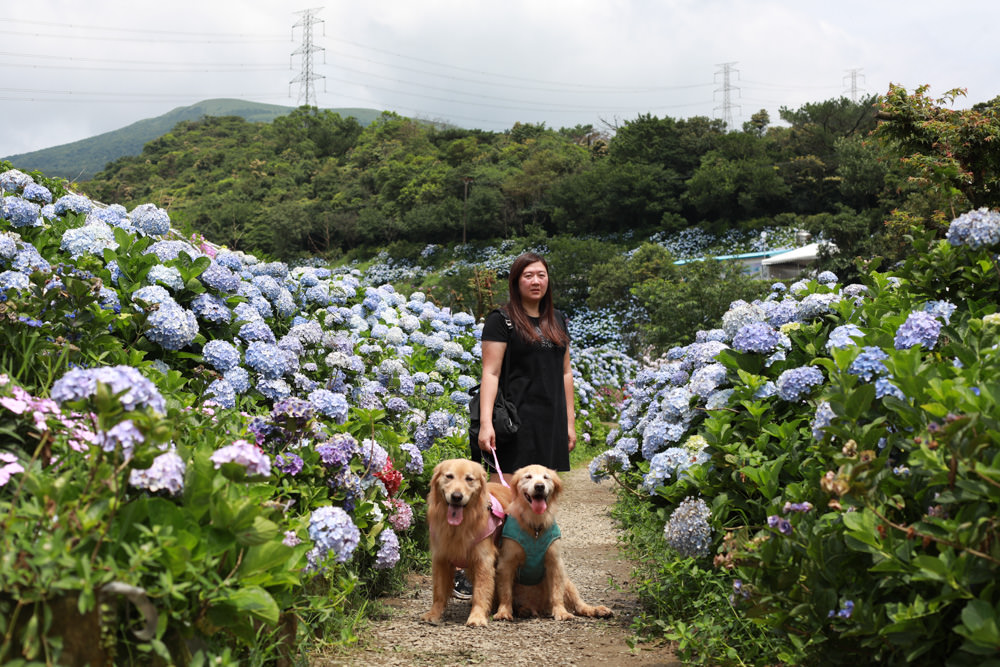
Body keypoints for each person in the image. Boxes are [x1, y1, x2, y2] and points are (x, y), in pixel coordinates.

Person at [455, 251, 576, 600]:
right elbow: (490, 373)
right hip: (512, 423)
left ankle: (519, 580)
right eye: (528, 276)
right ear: (516, 281)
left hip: (549, 422)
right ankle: (474, 576)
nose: (536, 281)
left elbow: (566, 373)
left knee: (537, 501)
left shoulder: (558, 321)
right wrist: (485, 423)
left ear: (548, 280)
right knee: (499, 506)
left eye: (541, 275)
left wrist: (569, 421)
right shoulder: (501, 320)